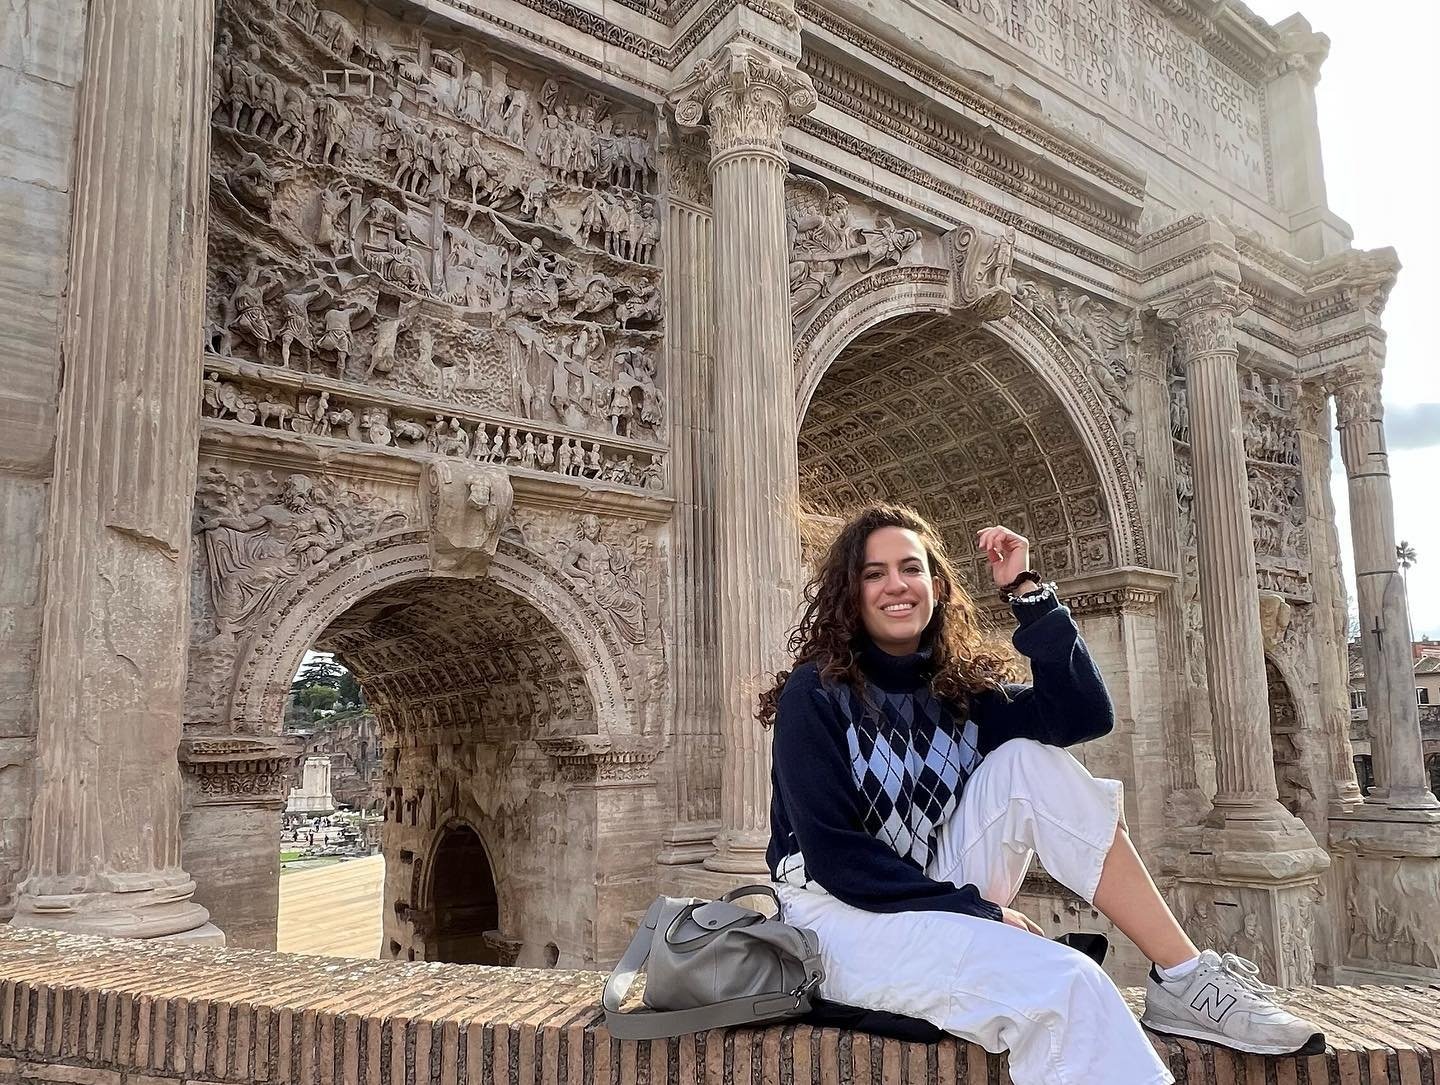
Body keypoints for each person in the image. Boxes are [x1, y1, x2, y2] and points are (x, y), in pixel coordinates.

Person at [760, 504, 1323, 1085]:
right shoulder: (814, 694)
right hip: (835, 919)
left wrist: (1028, 594)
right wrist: (977, 910)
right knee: (1067, 981)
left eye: (911, 568)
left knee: (1028, 760)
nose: (896, 585)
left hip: (929, 889)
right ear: (850, 593)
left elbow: (1081, 716)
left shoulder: (960, 693)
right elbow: (837, 857)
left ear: (937, 585)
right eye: (873, 573)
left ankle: (1183, 977)